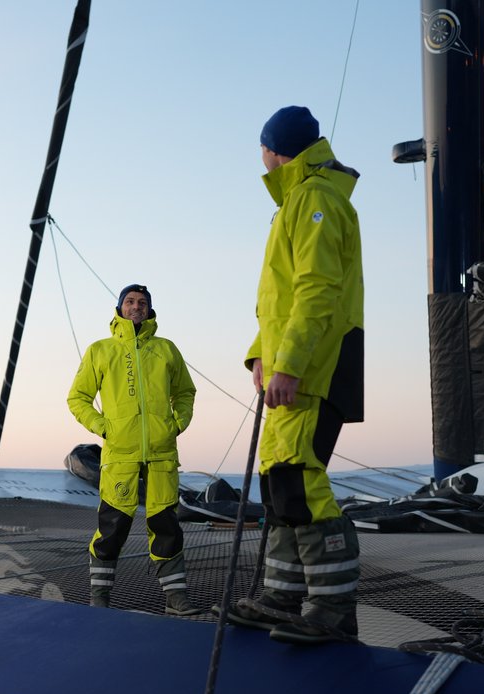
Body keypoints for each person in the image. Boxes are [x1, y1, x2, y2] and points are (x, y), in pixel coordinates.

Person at [227, 106, 365, 645]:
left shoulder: (313, 198)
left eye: (261, 148)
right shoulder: (297, 201)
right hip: (291, 367)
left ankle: (331, 610)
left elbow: (316, 290)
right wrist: (261, 355)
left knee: (301, 480)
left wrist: (289, 364)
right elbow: (276, 302)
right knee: (281, 480)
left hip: (314, 366)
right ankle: (282, 596)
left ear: (274, 149)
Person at [67, 284, 200, 616]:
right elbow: (77, 398)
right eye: (130, 301)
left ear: (150, 310)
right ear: (119, 307)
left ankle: (176, 598)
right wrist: (103, 427)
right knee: (113, 526)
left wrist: (177, 423)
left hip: (162, 454)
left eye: (142, 302)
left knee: (166, 526)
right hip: (120, 454)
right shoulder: (101, 350)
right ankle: (100, 596)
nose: (136, 306)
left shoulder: (167, 349)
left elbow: (185, 392)